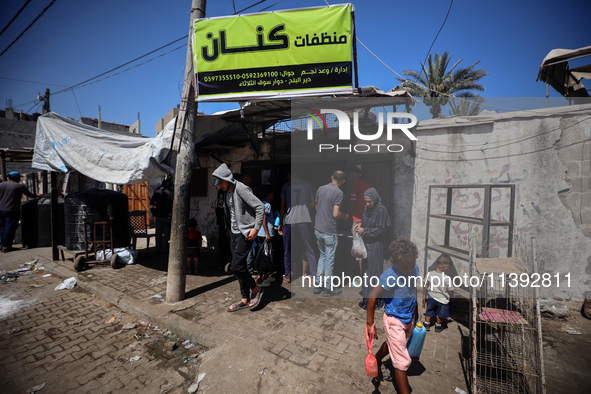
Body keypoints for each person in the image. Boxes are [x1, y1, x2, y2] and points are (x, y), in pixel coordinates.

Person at [365, 239, 419, 392]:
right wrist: (370, 323)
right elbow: (373, 295)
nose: (409, 270)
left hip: (409, 317)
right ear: (393, 261)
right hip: (394, 320)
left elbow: (412, 290)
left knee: (394, 346)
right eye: (405, 267)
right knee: (402, 361)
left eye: (411, 266)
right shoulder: (390, 275)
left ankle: (376, 359)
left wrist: (416, 314)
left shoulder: (414, 268)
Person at [213, 163, 265, 311]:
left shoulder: (241, 188)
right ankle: (245, 297)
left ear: (227, 178)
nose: (219, 186)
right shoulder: (226, 191)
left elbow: (259, 206)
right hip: (233, 234)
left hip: (245, 234)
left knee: (236, 266)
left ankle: (256, 289)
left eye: (220, 182)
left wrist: (256, 228)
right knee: (239, 267)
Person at [355, 188, 391, 310]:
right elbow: (366, 221)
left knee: (374, 272)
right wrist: (360, 224)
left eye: (370, 201)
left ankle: (375, 300)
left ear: (375, 200)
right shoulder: (367, 209)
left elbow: (381, 230)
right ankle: (366, 298)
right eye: (366, 201)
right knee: (366, 271)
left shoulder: (381, 211)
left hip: (376, 244)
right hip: (367, 243)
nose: (368, 204)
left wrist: (364, 231)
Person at [314, 170, 349, 296]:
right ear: (343, 181)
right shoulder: (338, 192)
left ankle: (318, 285)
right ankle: (328, 288)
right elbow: (335, 214)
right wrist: (344, 216)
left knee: (322, 256)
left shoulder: (320, 188)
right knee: (329, 259)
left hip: (318, 228)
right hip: (329, 230)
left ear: (331, 177)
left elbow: (316, 207)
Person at [279, 172, 317, 283]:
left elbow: (282, 206)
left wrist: (281, 222)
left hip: (290, 221)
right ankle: (315, 276)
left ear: (290, 175)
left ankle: (288, 276)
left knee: (287, 249)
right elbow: (312, 204)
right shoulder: (307, 185)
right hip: (305, 220)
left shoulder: (286, 186)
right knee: (309, 248)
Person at [0, 171, 41, 252]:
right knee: (10, 227)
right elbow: (29, 195)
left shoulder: (1, 185)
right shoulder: (20, 186)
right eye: (19, 177)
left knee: (2, 227)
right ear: (15, 177)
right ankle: (6, 246)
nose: (19, 179)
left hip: (1, 209)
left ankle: (1, 245)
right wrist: (37, 195)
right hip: (12, 210)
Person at [423, 254, 455, 332]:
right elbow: (450, 289)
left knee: (429, 311)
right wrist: (452, 295)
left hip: (431, 297)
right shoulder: (447, 278)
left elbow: (425, 283)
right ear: (446, 268)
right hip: (442, 300)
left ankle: (427, 324)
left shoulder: (430, 274)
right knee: (439, 314)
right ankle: (438, 326)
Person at [348, 167, 370, 277]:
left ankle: (361, 276)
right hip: (367, 220)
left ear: (355, 174)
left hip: (357, 220)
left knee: (358, 250)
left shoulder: (355, 185)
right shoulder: (367, 185)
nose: (349, 177)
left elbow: (352, 203)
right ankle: (366, 275)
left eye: (350, 175)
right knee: (366, 247)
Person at [150, 179, 173, 255]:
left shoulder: (157, 193)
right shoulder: (170, 193)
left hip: (158, 215)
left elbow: (151, 202)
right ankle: (164, 250)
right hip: (166, 216)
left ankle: (158, 249)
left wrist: (159, 205)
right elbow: (172, 205)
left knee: (158, 233)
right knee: (166, 233)